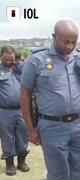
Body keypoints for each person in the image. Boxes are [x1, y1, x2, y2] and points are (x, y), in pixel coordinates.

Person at [20, 20, 80, 180]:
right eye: (66, 41)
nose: (70, 46)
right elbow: (25, 94)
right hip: (52, 126)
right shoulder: (36, 59)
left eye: (74, 42)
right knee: (58, 174)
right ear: (54, 37)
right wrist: (30, 129)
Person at [0, 46, 29, 176]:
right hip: (4, 111)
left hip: (22, 110)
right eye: (5, 59)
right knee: (7, 138)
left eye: (11, 59)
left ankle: (21, 162)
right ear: (1, 57)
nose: (8, 62)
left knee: (23, 136)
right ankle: (10, 164)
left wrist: (18, 63)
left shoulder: (21, 68)